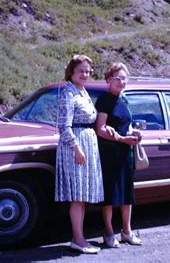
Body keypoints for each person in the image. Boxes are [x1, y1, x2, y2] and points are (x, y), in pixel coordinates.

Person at [55, 54, 104, 254]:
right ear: (72, 73)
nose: (85, 74)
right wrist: (76, 148)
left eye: (87, 70)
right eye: (81, 70)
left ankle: (79, 238)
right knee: (77, 195)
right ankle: (79, 240)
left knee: (82, 195)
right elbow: (63, 127)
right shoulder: (68, 92)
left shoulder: (82, 91)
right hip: (75, 146)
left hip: (87, 143)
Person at [95, 62, 143, 248]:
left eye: (124, 78)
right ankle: (108, 233)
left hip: (125, 152)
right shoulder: (105, 99)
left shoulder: (124, 99)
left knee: (126, 193)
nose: (122, 81)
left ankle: (127, 232)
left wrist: (135, 133)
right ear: (108, 80)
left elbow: (126, 124)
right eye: (118, 78)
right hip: (109, 152)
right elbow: (100, 129)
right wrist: (123, 139)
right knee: (110, 194)